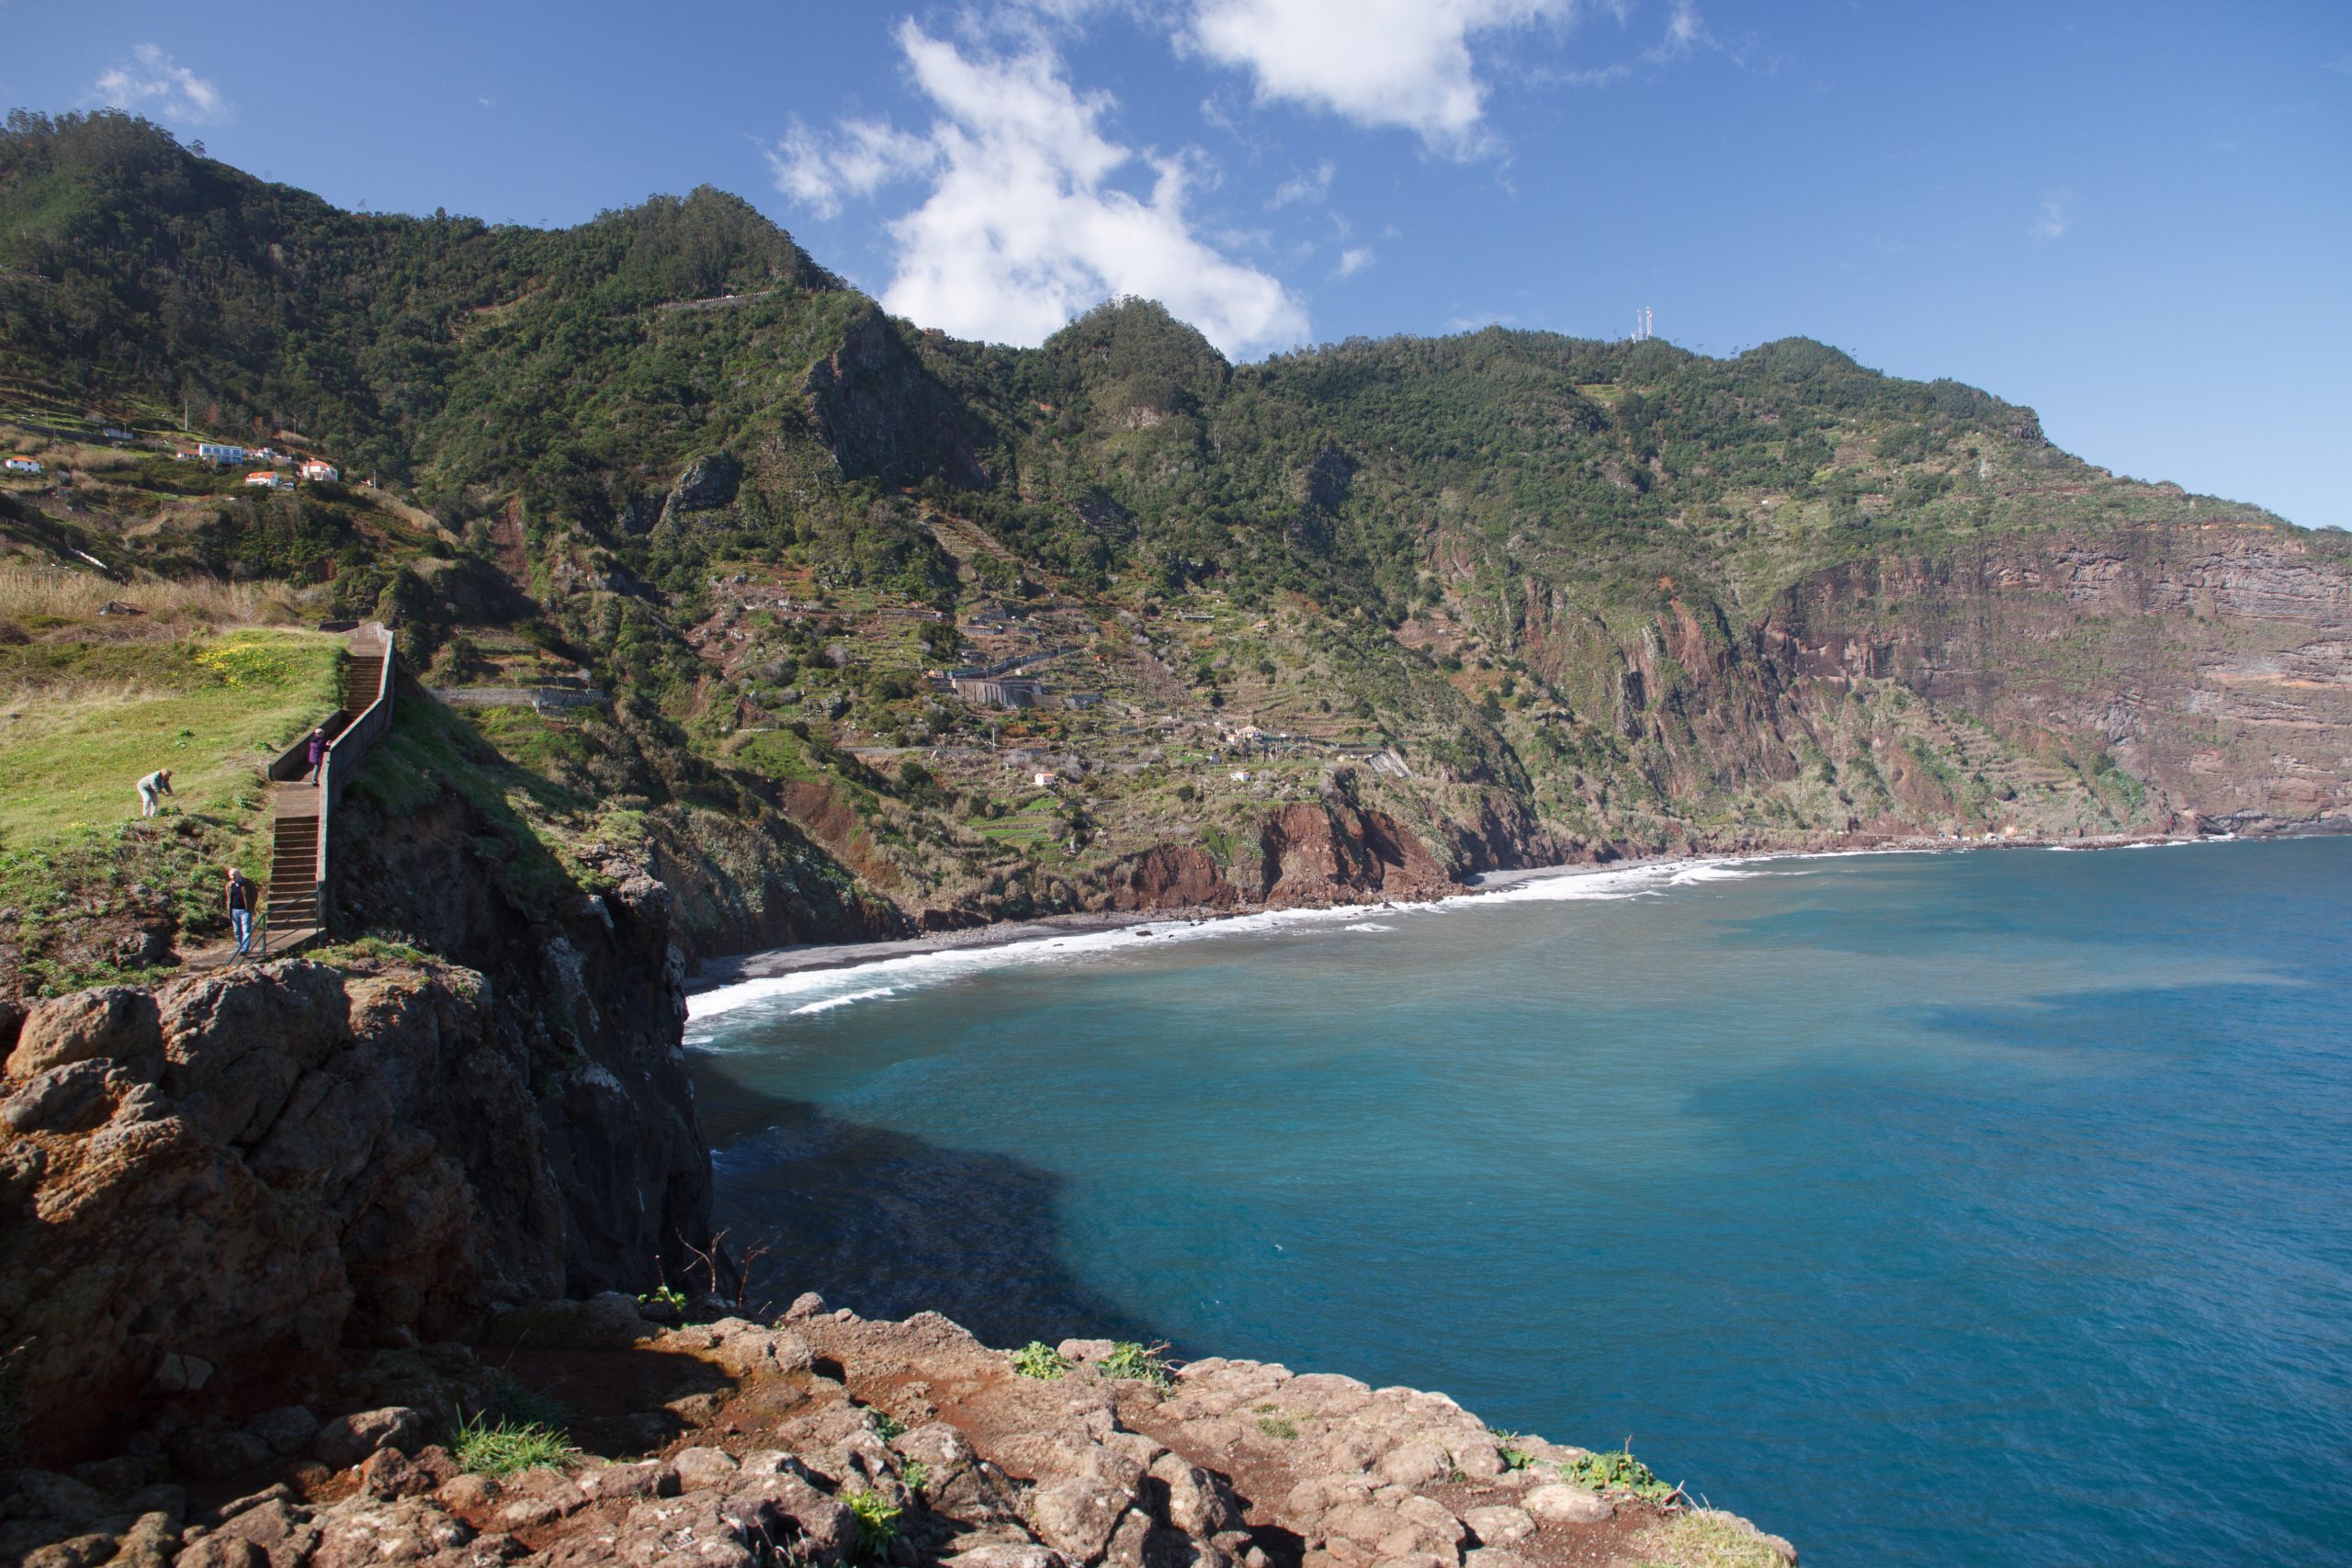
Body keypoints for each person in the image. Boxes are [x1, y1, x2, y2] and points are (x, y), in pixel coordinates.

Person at [225, 866, 255, 957]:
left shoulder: (248, 883)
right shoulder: (230, 885)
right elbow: (228, 896)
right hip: (234, 910)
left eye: (234, 877)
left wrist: (251, 906)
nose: (233, 879)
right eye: (231, 877)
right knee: (237, 931)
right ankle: (241, 946)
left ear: (239, 875)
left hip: (245, 910)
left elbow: (254, 894)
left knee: (246, 929)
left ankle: (244, 949)